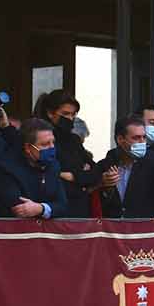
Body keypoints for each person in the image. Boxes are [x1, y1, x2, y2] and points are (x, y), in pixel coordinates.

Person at [0, 119, 70, 219]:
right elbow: (19, 209)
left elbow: (63, 205)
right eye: (45, 144)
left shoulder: (53, 166)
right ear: (28, 148)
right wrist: (48, 207)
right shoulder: (4, 168)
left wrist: (41, 208)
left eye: (53, 142)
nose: (51, 148)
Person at [38, 88, 99, 217]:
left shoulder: (74, 140)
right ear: (50, 113)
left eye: (73, 114)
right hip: (54, 210)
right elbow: (48, 173)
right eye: (65, 114)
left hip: (80, 211)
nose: (70, 118)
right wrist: (82, 175)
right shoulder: (41, 139)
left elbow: (95, 172)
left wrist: (73, 176)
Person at [99, 114, 154, 219]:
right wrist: (105, 186)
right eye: (136, 138)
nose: (142, 142)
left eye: (144, 137)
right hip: (113, 229)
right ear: (120, 139)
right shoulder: (109, 161)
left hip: (143, 229)